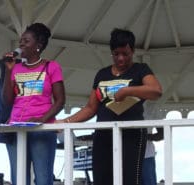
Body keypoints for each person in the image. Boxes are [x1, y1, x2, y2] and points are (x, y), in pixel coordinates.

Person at [57, 28, 162, 185]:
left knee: (130, 179)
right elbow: (90, 108)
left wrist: (127, 91)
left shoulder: (141, 69)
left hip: (132, 133)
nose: (120, 58)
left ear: (132, 51)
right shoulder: (102, 74)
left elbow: (156, 91)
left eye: (125, 54)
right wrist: (65, 122)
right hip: (104, 133)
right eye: (116, 54)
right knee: (102, 178)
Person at [2, 22, 65, 185]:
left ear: (38, 45)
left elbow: (60, 101)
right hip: (17, 127)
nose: (21, 43)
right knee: (19, 179)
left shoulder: (51, 66)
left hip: (41, 129)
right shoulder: (15, 68)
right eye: (21, 40)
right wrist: (8, 71)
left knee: (43, 179)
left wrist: (42, 120)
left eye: (26, 41)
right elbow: (7, 100)